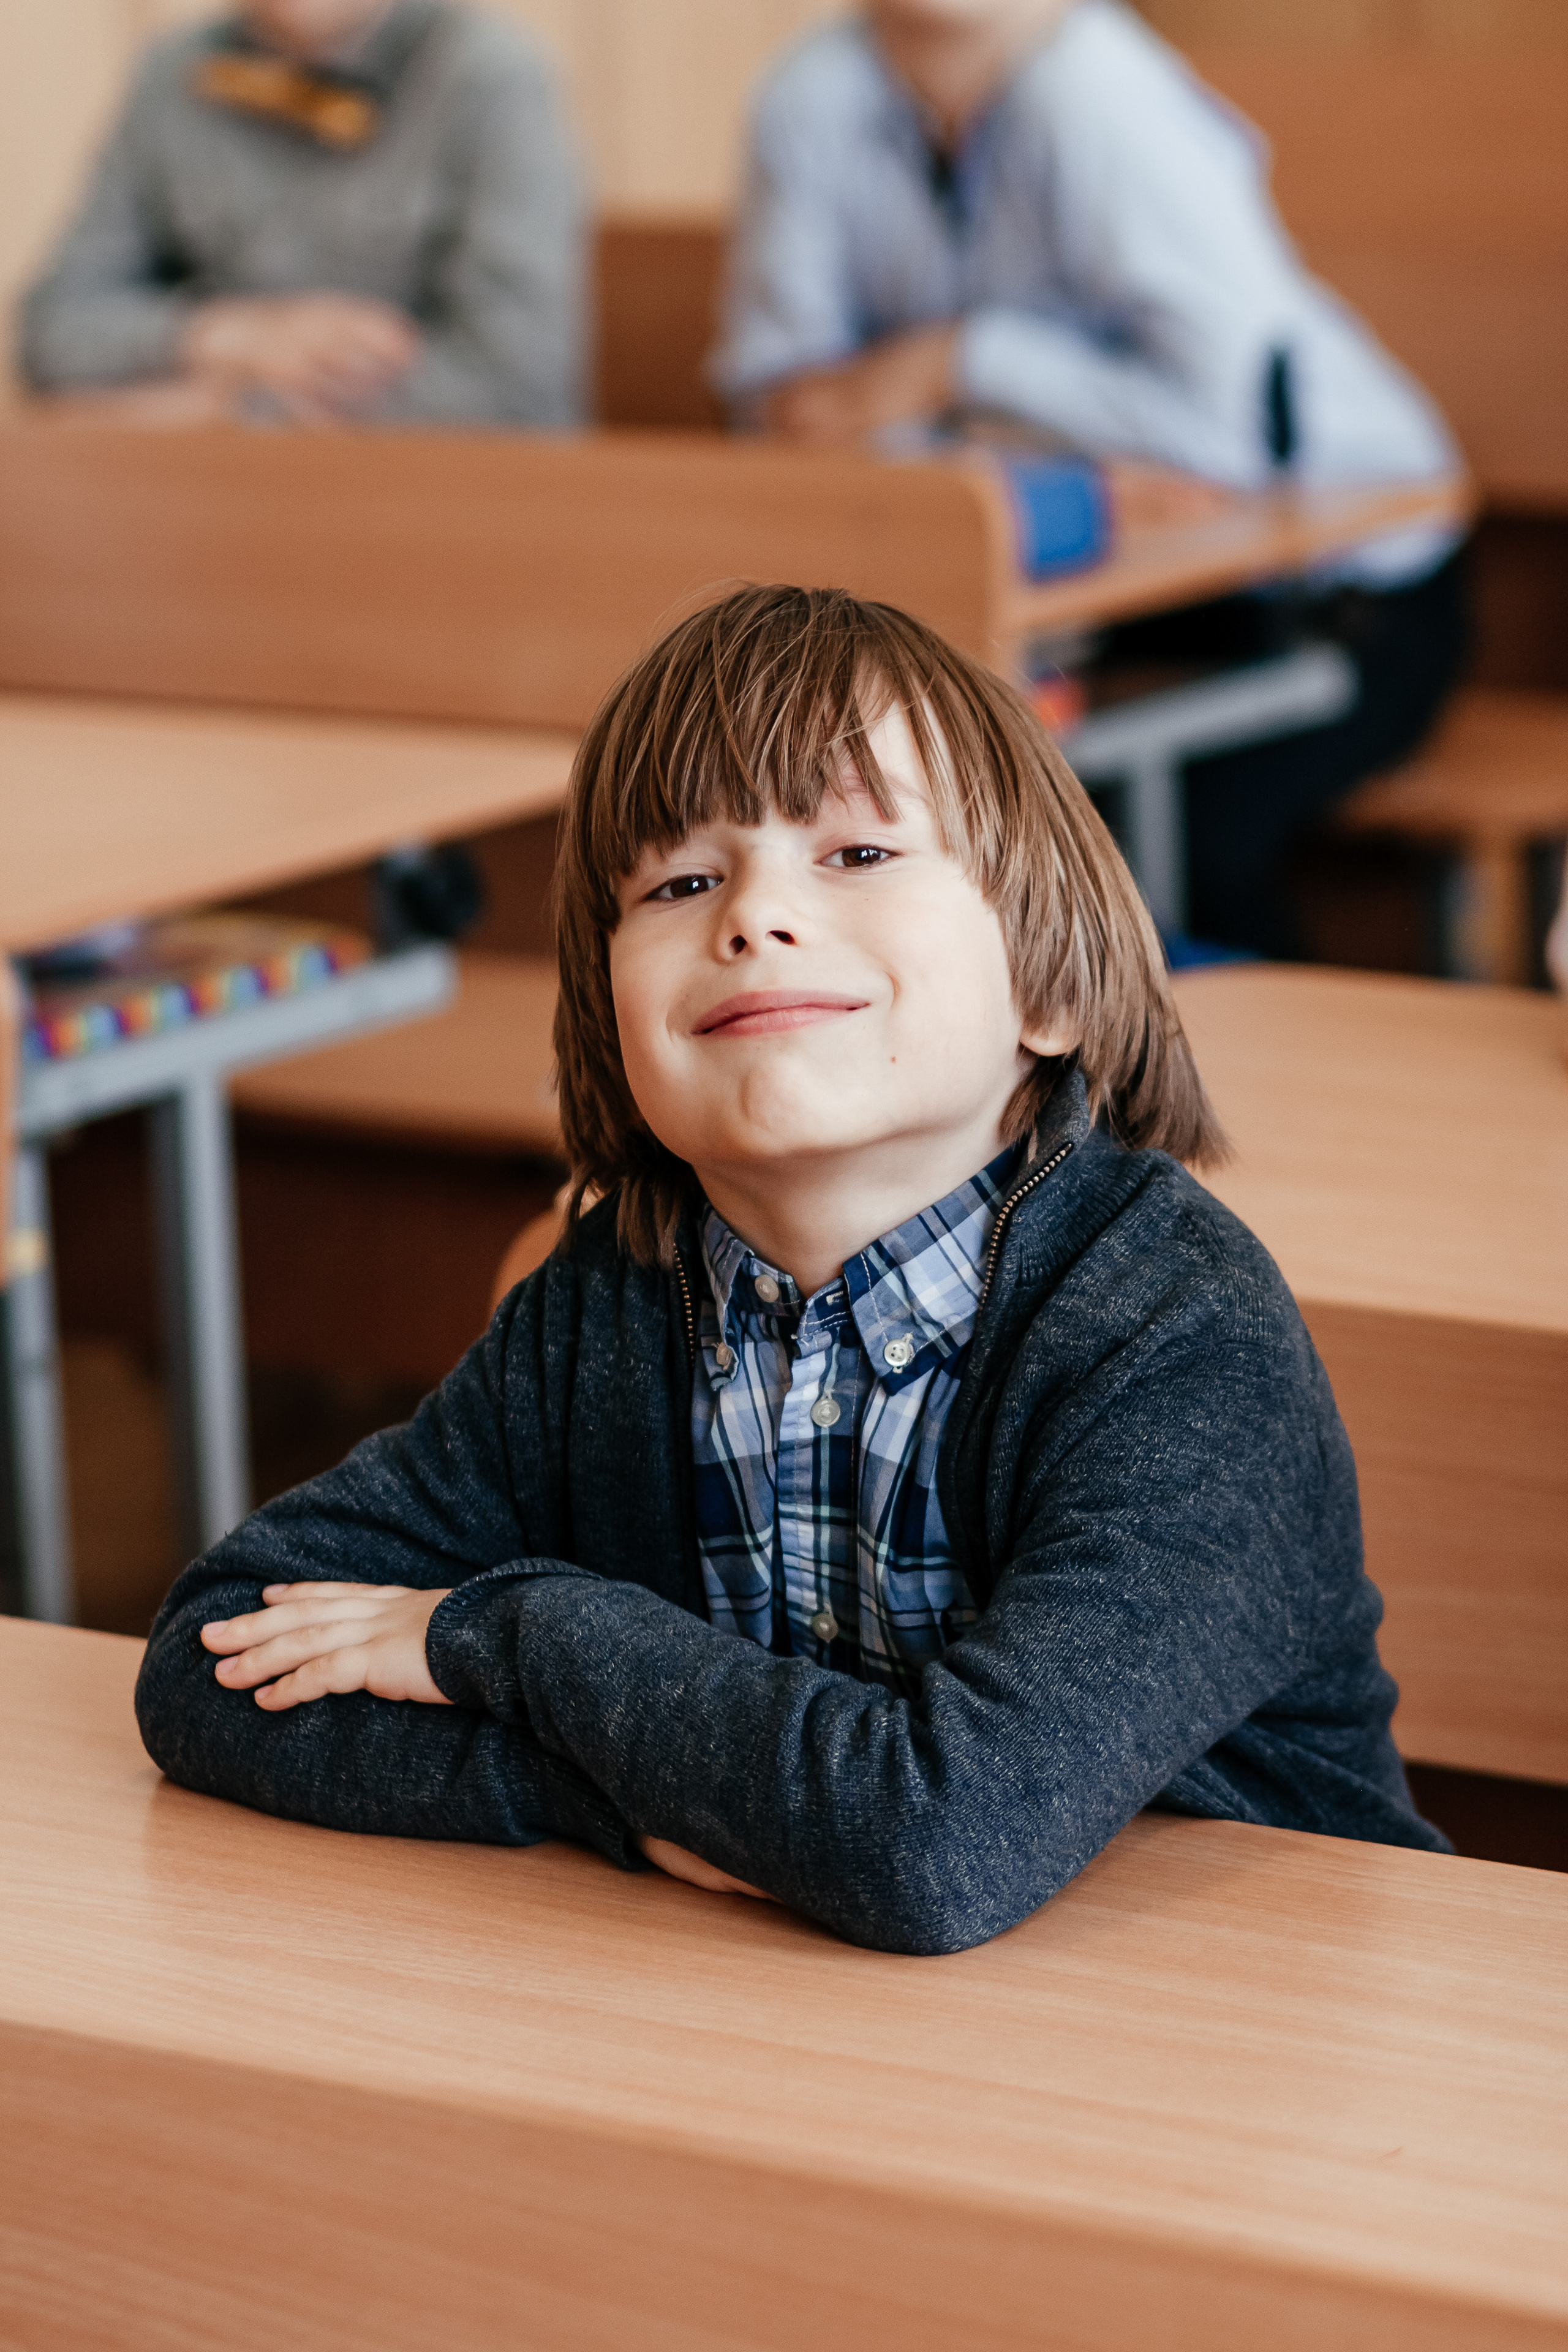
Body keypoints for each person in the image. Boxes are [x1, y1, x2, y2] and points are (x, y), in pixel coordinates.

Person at [135, 584, 1446, 1955]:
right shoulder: (606, 1305)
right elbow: (213, 1657)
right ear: (613, 1029)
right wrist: (608, 1801)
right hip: (818, 2033)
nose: (754, 916)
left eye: (858, 853)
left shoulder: (1175, 1337)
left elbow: (932, 1840)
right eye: (681, 882)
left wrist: (506, 1635)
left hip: (1241, 2058)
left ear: (1047, 987)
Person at [713, 0, 1469, 958]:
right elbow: (790, 414)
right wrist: (1068, 487)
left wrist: (960, 363)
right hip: (1083, 581)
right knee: (901, 801)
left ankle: (1242, 1097)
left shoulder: (1102, 96)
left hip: (1346, 590)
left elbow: (1225, 443)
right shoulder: (809, 98)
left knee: (1142, 841)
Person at [16, 0, 584, 428]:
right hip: (218, 512)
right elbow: (50, 334)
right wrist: (226, 336)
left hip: (448, 505)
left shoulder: (490, 76)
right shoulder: (173, 74)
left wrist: (227, 408)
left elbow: (515, 384)